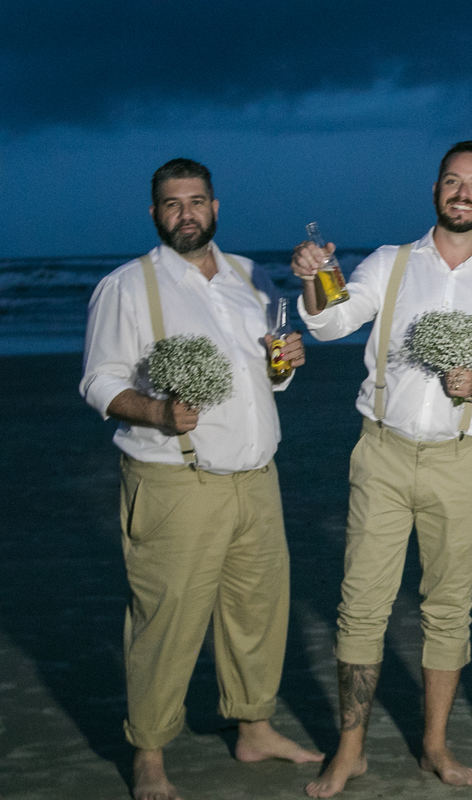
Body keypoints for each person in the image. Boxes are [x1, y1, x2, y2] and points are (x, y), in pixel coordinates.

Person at [80, 158, 321, 800]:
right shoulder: (128, 286)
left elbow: (268, 366)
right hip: (174, 482)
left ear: (216, 205)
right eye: (172, 203)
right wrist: (157, 411)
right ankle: (150, 755)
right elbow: (100, 380)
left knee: (258, 612)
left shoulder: (252, 275)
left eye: (197, 200)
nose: (186, 213)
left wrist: (286, 364)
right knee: (167, 620)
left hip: (258, 478)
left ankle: (254, 728)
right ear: (155, 213)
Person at [290, 141, 472, 797]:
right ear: (435, 189)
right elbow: (329, 326)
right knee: (361, 605)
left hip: (459, 460)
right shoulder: (392, 262)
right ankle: (349, 750)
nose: (462, 193)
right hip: (380, 452)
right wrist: (311, 278)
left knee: (449, 609)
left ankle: (434, 744)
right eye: (452, 181)